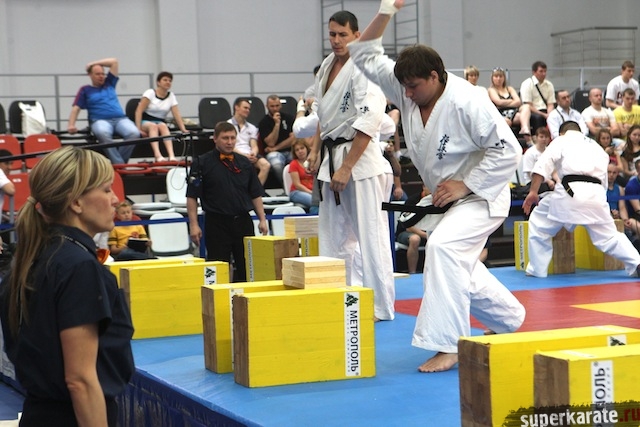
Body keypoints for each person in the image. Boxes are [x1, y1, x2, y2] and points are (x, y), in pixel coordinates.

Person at [349, 0, 525, 372]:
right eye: (403, 87)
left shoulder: (468, 102)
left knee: (444, 248)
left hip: (482, 196)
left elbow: (509, 150)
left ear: (434, 76)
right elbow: (363, 53)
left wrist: (466, 184)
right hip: (447, 199)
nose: (407, 95)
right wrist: (386, 11)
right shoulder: (407, 89)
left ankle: (449, 344)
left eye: (413, 86)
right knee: (458, 265)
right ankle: (509, 318)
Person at [0, 146, 134, 426]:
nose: (115, 199)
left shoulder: (33, 256)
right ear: (76, 203)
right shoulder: (78, 267)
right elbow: (80, 380)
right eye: (106, 190)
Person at [306, 10, 396, 322]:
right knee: (332, 236)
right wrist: (315, 151)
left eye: (342, 34)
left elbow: (370, 119)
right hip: (331, 157)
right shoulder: (326, 67)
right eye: (332, 34)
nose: (336, 40)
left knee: (371, 236)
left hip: (360, 161)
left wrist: (347, 167)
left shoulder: (364, 68)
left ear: (357, 36)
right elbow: (322, 114)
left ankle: (381, 306)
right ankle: (339, 295)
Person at [523, 121, 640, 278]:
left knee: (539, 223)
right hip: (596, 194)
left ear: (562, 133)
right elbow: (605, 181)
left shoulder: (561, 140)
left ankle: (537, 270)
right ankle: (636, 262)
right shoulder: (597, 148)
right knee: (610, 236)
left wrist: (533, 192)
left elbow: (542, 165)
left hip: (570, 192)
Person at [186, 121, 268, 282]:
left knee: (247, 268)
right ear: (215, 138)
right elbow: (192, 196)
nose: (230, 142)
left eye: (232, 138)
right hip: (216, 223)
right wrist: (194, 225)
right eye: (225, 138)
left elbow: (255, 193)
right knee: (217, 270)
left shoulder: (245, 162)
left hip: (243, 222)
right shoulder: (202, 162)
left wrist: (262, 219)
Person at [67, 57, 140, 164]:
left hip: (120, 119)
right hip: (100, 121)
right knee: (102, 133)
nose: (101, 76)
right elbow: (76, 108)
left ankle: (117, 164)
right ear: (90, 75)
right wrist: (71, 125)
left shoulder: (109, 83)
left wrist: (93, 63)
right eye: (97, 74)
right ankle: (120, 165)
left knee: (134, 133)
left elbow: (114, 62)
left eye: (102, 74)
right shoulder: (85, 90)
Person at [134, 71, 189, 162]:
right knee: (153, 127)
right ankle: (158, 155)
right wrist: (138, 129)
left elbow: (176, 114)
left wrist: (183, 129)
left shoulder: (171, 96)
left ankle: (171, 156)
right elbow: (138, 111)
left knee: (163, 126)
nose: (168, 82)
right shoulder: (150, 93)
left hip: (160, 121)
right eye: (165, 80)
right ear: (158, 82)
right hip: (146, 121)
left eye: (170, 81)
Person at [228, 98, 271, 186]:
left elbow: (254, 145)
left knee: (266, 165)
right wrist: (244, 156)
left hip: (249, 154)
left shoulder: (252, 127)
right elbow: (230, 146)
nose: (248, 111)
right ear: (237, 107)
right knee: (243, 164)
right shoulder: (227, 125)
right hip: (234, 153)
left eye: (249, 109)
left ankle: (255, 190)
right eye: (245, 108)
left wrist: (253, 154)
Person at [258, 95, 296, 188]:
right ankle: (287, 188)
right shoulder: (263, 122)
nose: (275, 109)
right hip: (274, 154)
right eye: (272, 106)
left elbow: (294, 139)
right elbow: (271, 142)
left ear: (280, 105)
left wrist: (275, 148)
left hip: (290, 151)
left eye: (277, 105)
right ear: (267, 106)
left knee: (299, 162)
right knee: (277, 166)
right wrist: (277, 124)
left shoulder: (289, 118)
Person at [518, 61, 556, 142]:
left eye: (545, 71)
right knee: (538, 118)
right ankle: (537, 140)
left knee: (556, 116)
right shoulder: (527, 84)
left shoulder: (549, 85)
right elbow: (528, 105)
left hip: (546, 110)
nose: (544, 74)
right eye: (541, 71)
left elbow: (550, 104)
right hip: (533, 110)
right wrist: (544, 115)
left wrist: (549, 114)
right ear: (534, 72)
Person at [396, 185, 429, 273]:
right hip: (405, 232)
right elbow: (407, 226)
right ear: (424, 187)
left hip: (427, 232)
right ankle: (412, 272)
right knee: (415, 239)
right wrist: (425, 235)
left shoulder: (436, 200)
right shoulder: (412, 201)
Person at [521, 128, 556, 192]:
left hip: (550, 181)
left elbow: (553, 171)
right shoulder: (530, 153)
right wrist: (547, 181)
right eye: (541, 137)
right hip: (532, 182)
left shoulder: (550, 151)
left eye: (546, 137)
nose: (544, 139)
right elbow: (529, 173)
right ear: (536, 138)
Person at [288, 139, 314, 210]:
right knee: (314, 201)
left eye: (302, 148)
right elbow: (297, 185)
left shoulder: (313, 162)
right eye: (297, 150)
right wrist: (311, 192)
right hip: (297, 192)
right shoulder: (293, 164)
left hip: (313, 192)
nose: (300, 151)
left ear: (306, 148)